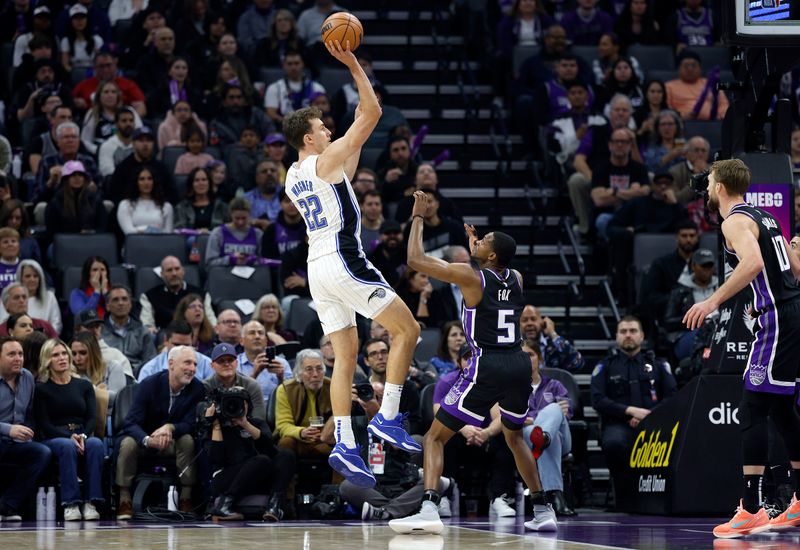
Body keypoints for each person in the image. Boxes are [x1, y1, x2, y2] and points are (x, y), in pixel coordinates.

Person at [281, 40, 423, 487]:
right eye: (323, 128)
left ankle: (343, 440)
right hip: (343, 259)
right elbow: (373, 113)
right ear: (309, 138)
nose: (328, 130)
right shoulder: (323, 161)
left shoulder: (294, 175)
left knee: (345, 357)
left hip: (316, 271)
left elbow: (353, 148)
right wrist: (350, 62)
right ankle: (389, 418)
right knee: (409, 330)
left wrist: (352, 130)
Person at [389, 191, 556, 534]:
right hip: (519, 364)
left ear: (491, 255)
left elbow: (416, 259)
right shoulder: (517, 278)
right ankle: (543, 509)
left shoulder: (471, 276)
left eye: (483, 242)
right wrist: (478, 251)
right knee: (514, 438)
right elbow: (493, 281)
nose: (477, 241)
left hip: (487, 364)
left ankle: (429, 507)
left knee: (434, 438)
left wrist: (417, 216)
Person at [678, 160, 800, 536]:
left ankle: (750, 508)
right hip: (788, 311)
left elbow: (753, 263)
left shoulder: (734, 221)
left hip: (777, 317)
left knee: (753, 406)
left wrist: (710, 302)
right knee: (781, 410)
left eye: (710, 181)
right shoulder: (765, 216)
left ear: (718, 187)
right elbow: (794, 269)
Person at [201, 343, 295, 522]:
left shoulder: (255, 423)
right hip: (227, 477)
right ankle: (224, 505)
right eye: (230, 403)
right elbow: (215, 460)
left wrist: (244, 423)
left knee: (286, 455)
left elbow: (271, 448)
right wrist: (216, 425)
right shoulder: (218, 426)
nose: (235, 407)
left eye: (239, 402)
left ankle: (274, 506)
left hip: (257, 474)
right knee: (262, 461)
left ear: (248, 404)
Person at [590, 316, 676, 507]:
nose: (628, 335)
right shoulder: (605, 366)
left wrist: (649, 416)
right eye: (623, 331)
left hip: (655, 422)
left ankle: (659, 500)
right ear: (616, 337)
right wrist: (630, 411)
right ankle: (624, 497)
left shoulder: (659, 365)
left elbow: (672, 397)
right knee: (613, 442)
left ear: (642, 336)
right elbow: (597, 400)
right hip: (618, 423)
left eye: (633, 331)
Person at [115, 345, 205, 519]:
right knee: (127, 444)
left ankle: (186, 498)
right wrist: (148, 439)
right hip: (145, 439)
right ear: (171, 364)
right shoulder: (150, 384)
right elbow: (130, 422)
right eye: (187, 363)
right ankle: (124, 499)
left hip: (173, 441)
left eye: (195, 364)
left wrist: (171, 428)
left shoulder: (197, 389)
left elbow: (192, 424)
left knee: (188, 440)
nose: (192, 368)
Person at [34, 338, 104, 521]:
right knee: (66, 445)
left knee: (96, 444)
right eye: (55, 355)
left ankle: (91, 502)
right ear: (47, 360)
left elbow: (91, 418)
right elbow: (44, 424)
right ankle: (71, 504)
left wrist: (82, 435)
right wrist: (69, 436)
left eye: (64, 353)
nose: (62, 358)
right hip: (54, 436)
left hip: (82, 433)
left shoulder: (84, 385)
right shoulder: (41, 389)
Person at [521, 339, 576, 517]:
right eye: (522, 356)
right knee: (543, 439)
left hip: (561, 435)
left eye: (530, 354)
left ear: (540, 358)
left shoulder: (555, 385)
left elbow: (566, 413)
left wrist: (534, 419)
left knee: (554, 410)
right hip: (528, 440)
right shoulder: (513, 389)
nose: (527, 359)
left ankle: (544, 436)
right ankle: (555, 496)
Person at [0, 336, 52, 521]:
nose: (18, 358)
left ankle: (7, 506)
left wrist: (26, 432)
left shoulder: (27, 377)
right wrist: (8, 430)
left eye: (20, 354)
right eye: (11, 354)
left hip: (16, 443)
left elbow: (29, 414)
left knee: (42, 453)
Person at [139, 255, 214, 331]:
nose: (174, 273)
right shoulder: (150, 296)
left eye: (177, 269)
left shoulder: (201, 294)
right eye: (169, 270)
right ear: (162, 274)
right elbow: (147, 324)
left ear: (183, 271)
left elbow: (212, 323)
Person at [101, 285, 157, 375]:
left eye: (124, 299)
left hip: (137, 376)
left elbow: (151, 361)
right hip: (107, 375)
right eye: (115, 300)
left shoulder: (142, 331)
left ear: (130, 304)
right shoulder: (100, 331)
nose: (121, 303)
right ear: (107, 306)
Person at [236, 320, 293, 407]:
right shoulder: (235, 363)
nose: (257, 336)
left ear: (266, 340)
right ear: (241, 341)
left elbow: (292, 397)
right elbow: (234, 395)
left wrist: (281, 378)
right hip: (245, 414)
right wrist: (254, 374)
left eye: (260, 333)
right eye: (252, 333)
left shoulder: (282, 363)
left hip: (276, 414)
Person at [137, 320, 214, 382]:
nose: (181, 350)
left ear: (192, 342)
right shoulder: (150, 369)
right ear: (166, 341)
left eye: (186, 345)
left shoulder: (206, 364)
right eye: (177, 345)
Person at [70, 331, 127, 410]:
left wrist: (91, 390)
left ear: (93, 352)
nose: (77, 358)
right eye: (74, 354)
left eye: (83, 353)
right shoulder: (71, 375)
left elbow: (118, 398)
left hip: (111, 417)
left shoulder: (113, 367)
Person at [519, 305, 585, 372]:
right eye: (524, 320)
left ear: (542, 322)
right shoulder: (514, 347)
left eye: (533, 319)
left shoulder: (555, 344)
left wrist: (553, 334)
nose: (529, 323)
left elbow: (578, 363)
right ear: (518, 324)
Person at [74, 308, 134, 379]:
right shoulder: (67, 355)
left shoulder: (115, 355)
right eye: (89, 326)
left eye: (97, 326)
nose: (94, 330)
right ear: (77, 330)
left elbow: (129, 382)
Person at [205, 197, 264, 267]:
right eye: (237, 218)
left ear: (249, 215)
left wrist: (252, 261)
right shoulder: (218, 233)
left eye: (244, 218)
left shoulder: (258, 234)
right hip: (224, 274)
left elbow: (263, 261)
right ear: (231, 215)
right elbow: (209, 263)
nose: (240, 222)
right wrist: (229, 260)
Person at [116, 166, 175, 235]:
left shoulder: (166, 206)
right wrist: (150, 230)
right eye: (142, 179)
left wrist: (140, 229)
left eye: (150, 179)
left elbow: (168, 234)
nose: (146, 183)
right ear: (136, 182)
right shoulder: (125, 205)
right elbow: (129, 233)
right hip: (135, 244)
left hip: (159, 244)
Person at [14, 260, 61, 333]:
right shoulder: (11, 298)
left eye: (35, 276)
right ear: (21, 279)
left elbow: (56, 325)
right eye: (28, 276)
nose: (32, 279)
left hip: (44, 341)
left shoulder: (49, 297)